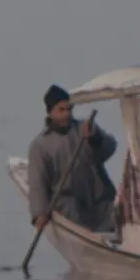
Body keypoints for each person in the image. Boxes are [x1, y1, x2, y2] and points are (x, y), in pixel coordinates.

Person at [27, 84, 119, 233]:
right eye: (61, 110)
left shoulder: (84, 128)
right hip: (69, 202)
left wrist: (95, 138)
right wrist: (39, 213)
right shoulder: (40, 146)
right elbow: (38, 182)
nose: (66, 114)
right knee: (73, 216)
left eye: (69, 109)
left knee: (116, 217)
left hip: (98, 198)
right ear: (50, 112)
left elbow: (109, 149)